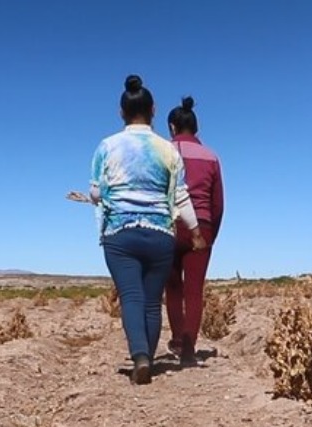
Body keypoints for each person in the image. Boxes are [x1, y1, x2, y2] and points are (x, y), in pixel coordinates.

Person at [90, 75, 206, 384]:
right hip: (160, 235)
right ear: (153, 110)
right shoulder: (168, 151)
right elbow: (180, 196)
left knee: (131, 296)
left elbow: (97, 192)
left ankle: (140, 356)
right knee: (153, 300)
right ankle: (150, 360)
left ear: (121, 112)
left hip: (119, 233)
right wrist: (195, 232)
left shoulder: (106, 146)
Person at [164, 96, 224, 366]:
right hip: (203, 224)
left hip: (170, 223)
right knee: (195, 289)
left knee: (173, 286)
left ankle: (177, 341)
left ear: (172, 127)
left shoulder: (164, 151)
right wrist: (210, 234)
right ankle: (189, 348)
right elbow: (218, 202)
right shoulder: (211, 156)